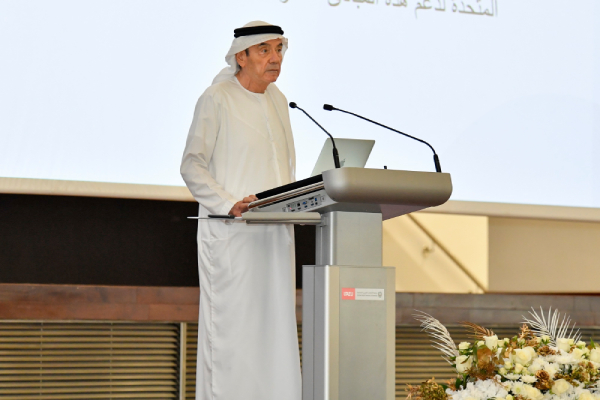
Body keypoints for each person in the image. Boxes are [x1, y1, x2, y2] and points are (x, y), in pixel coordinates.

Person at [180, 21, 301, 400]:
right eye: (264, 50)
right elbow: (192, 165)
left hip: (274, 234)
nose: (275, 58)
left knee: (275, 334)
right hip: (232, 236)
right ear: (241, 56)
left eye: (278, 49)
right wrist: (227, 202)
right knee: (234, 338)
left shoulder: (279, 99)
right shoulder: (216, 97)